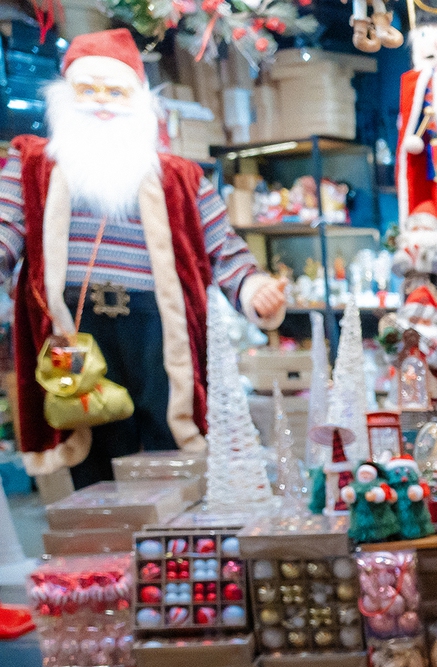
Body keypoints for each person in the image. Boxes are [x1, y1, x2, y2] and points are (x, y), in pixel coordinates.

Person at [0, 29, 287, 487]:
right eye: (87, 90)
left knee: (166, 440)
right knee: (88, 436)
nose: (101, 102)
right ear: (64, 97)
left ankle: (171, 550)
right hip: (74, 326)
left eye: (115, 91)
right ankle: (105, 548)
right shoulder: (31, 165)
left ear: (137, 100)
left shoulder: (180, 177)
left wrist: (255, 291)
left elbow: (224, 250)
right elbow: (6, 230)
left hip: (157, 324)